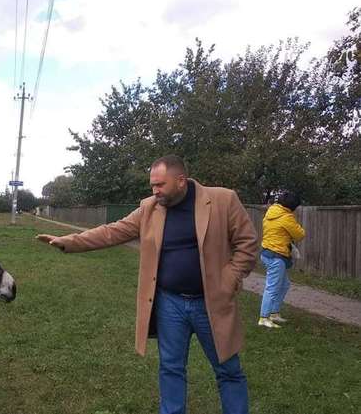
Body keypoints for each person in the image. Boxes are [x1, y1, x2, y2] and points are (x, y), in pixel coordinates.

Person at [36, 155, 257, 414]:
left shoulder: (222, 199)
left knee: (228, 370)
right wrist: (70, 242)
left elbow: (248, 243)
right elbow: (112, 231)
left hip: (212, 302)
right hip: (170, 303)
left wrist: (229, 280)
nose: (155, 191)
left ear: (181, 181)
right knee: (171, 369)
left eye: (160, 185)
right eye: (152, 185)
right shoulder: (150, 208)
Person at [258, 191, 306, 328]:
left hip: (268, 253)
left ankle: (274, 313)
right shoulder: (286, 217)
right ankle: (264, 317)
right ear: (292, 206)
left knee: (284, 284)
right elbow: (300, 234)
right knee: (272, 287)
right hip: (276, 256)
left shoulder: (271, 211)